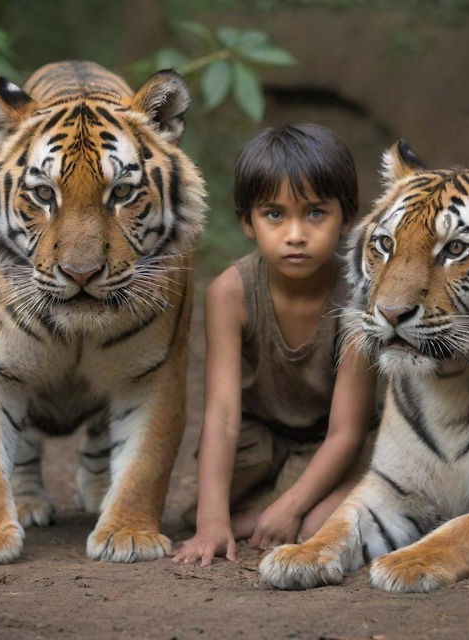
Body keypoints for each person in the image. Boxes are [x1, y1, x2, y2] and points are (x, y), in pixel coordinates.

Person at [173, 123, 377, 567]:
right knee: (214, 506)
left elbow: (347, 431)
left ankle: (271, 511)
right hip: (260, 440)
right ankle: (246, 514)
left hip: (334, 443)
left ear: (348, 217)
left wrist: (291, 507)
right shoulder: (231, 292)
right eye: (275, 214)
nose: (296, 234)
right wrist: (209, 523)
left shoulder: (358, 297)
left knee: (315, 526)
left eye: (316, 213)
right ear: (248, 221)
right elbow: (222, 415)